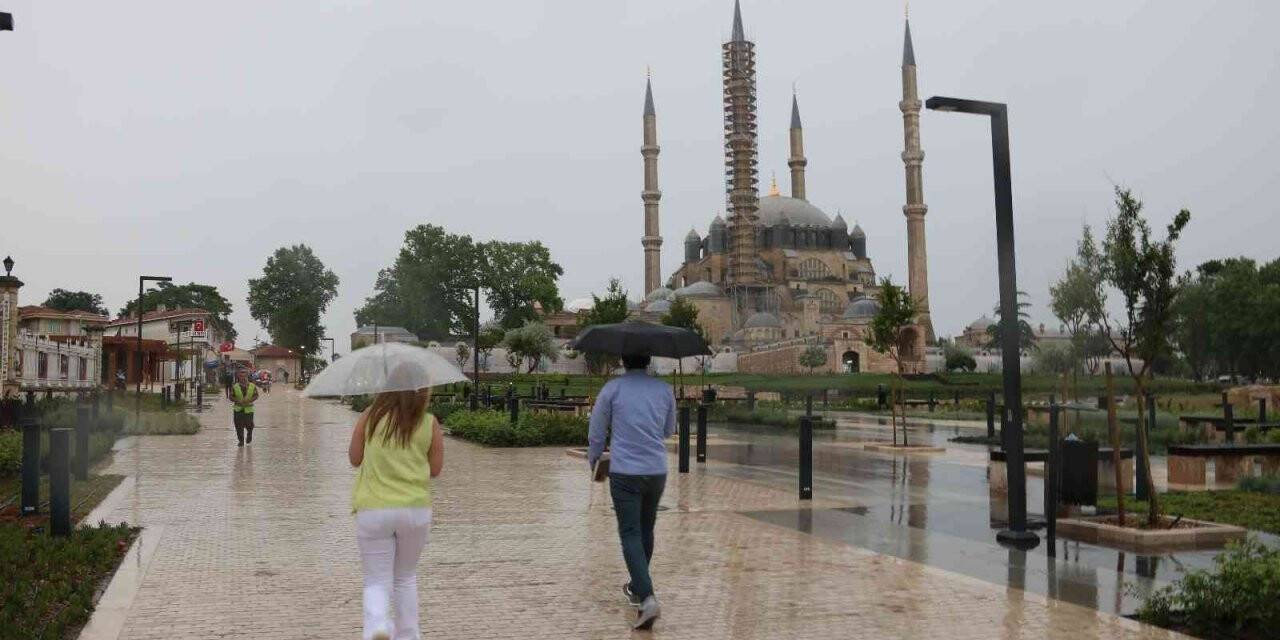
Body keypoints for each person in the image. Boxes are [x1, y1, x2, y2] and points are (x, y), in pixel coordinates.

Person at [587, 353, 677, 630]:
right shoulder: (664, 389)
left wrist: (594, 461)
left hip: (625, 471)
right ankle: (638, 587)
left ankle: (648, 598)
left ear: (623, 361)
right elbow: (669, 430)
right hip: (656, 470)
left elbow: (596, 432)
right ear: (648, 361)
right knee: (646, 529)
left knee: (630, 533)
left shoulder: (612, 389)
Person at [349, 383, 444, 640]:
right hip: (414, 510)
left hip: (374, 509)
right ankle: (408, 635)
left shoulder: (370, 416)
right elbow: (436, 469)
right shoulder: (429, 422)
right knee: (405, 577)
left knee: (376, 580)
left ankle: (377, 626)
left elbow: (354, 458)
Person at [230, 369, 259, 446]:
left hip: (249, 409)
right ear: (238, 377)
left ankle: (249, 434)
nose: (243, 378)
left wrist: (250, 400)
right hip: (238, 409)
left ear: (247, 376)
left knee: (250, 425)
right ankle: (241, 441)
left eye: (244, 376)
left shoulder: (252, 386)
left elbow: (256, 395)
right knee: (238, 426)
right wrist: (237, 400)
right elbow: (231, 396)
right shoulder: (235, 386)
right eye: (241, 376)